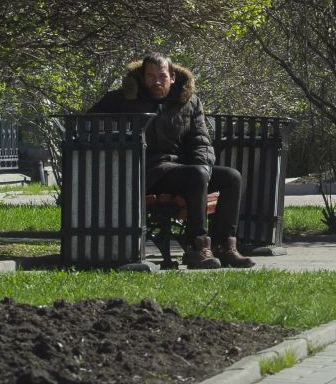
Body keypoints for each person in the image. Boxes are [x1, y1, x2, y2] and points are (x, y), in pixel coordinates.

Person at [86, 54, 255, 270]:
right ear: (142, 77)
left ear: (172, 76)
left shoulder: (189, 102)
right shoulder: (121, 99)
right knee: (196, 174)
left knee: (232, 177)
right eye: (150, 76)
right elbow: (89, 124)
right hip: (145, 172)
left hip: (182, 170)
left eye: (162, 76)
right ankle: (197, 246)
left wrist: (203, 165)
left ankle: (224, 245)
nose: (156, 81)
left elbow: (201, 141)